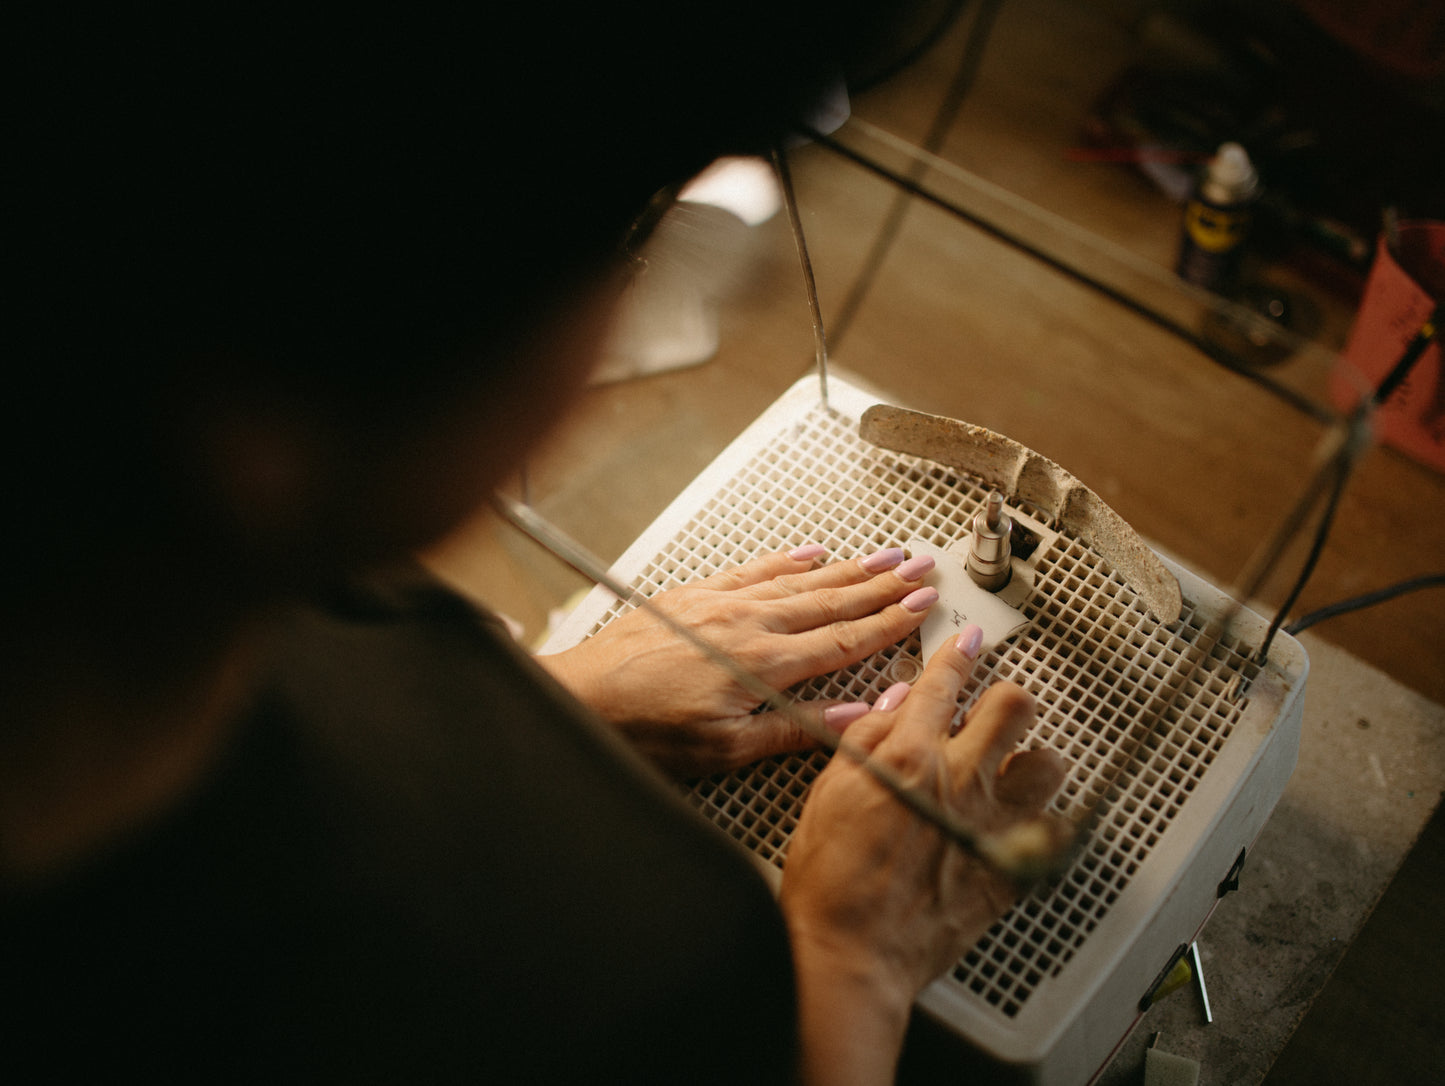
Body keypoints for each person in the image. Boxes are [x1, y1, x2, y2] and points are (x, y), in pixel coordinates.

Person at [2, 5, 1065, 1082]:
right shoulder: (612, 996)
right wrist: (845, 975)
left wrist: (554, 704)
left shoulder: (172, 587)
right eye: (612, 250)